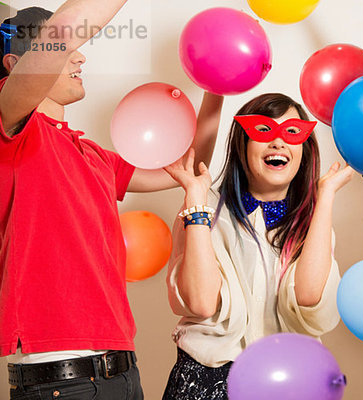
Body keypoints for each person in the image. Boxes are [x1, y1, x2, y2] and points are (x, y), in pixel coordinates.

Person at [0, 4, 224, 399]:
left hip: (121, 371)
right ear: (15, 63)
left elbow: (189, 167)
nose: (81, 56)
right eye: (66, 52)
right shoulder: (12, 130)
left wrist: (217, 86)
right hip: (59, 379)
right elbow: (64, 32)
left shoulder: (94, 155)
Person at [161, 93, 353, 400]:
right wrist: (196, 202)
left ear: (304, 149)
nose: (278, 142)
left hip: (291, 382)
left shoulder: (313, 221)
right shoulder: (203, 210)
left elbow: (309, 300)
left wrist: (326, 195)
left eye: (291, 132)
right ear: (242, 144)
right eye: (264, 131)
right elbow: (200, 303)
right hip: (207, 381)